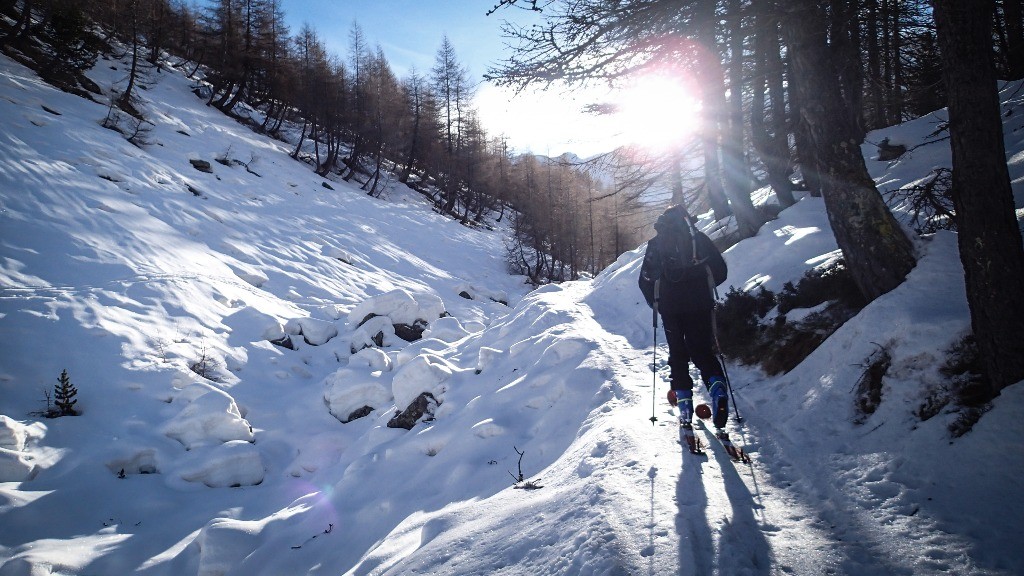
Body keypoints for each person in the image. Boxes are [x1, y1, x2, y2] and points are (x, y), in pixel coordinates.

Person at [638, 204, 729, 436]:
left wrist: (655, 303)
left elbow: (645, 280)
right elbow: (720, 270)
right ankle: (717, 390)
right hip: (700, 303)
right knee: (702, 351)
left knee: (677, 353)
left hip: (670, 307)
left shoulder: (656, 244)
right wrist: (705, 287)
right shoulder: (698, 239)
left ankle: (685, 408)